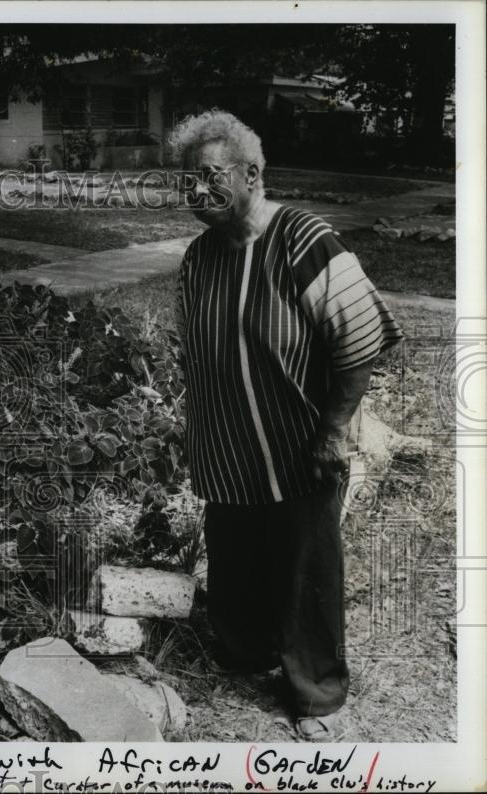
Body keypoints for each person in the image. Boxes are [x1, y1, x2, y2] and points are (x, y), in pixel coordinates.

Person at [167, 110, 404, 740]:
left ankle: (317, 692)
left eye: (211, 178)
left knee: (306, 567)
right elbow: (194, 346)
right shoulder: (198, 257)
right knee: (236, 553)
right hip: (227, 443)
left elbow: (362, 337)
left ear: (251, 173)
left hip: (298, 444)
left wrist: (333, 431)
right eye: (187, 182)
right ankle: (247, 651)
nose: (196, 193)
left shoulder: (303, 239)